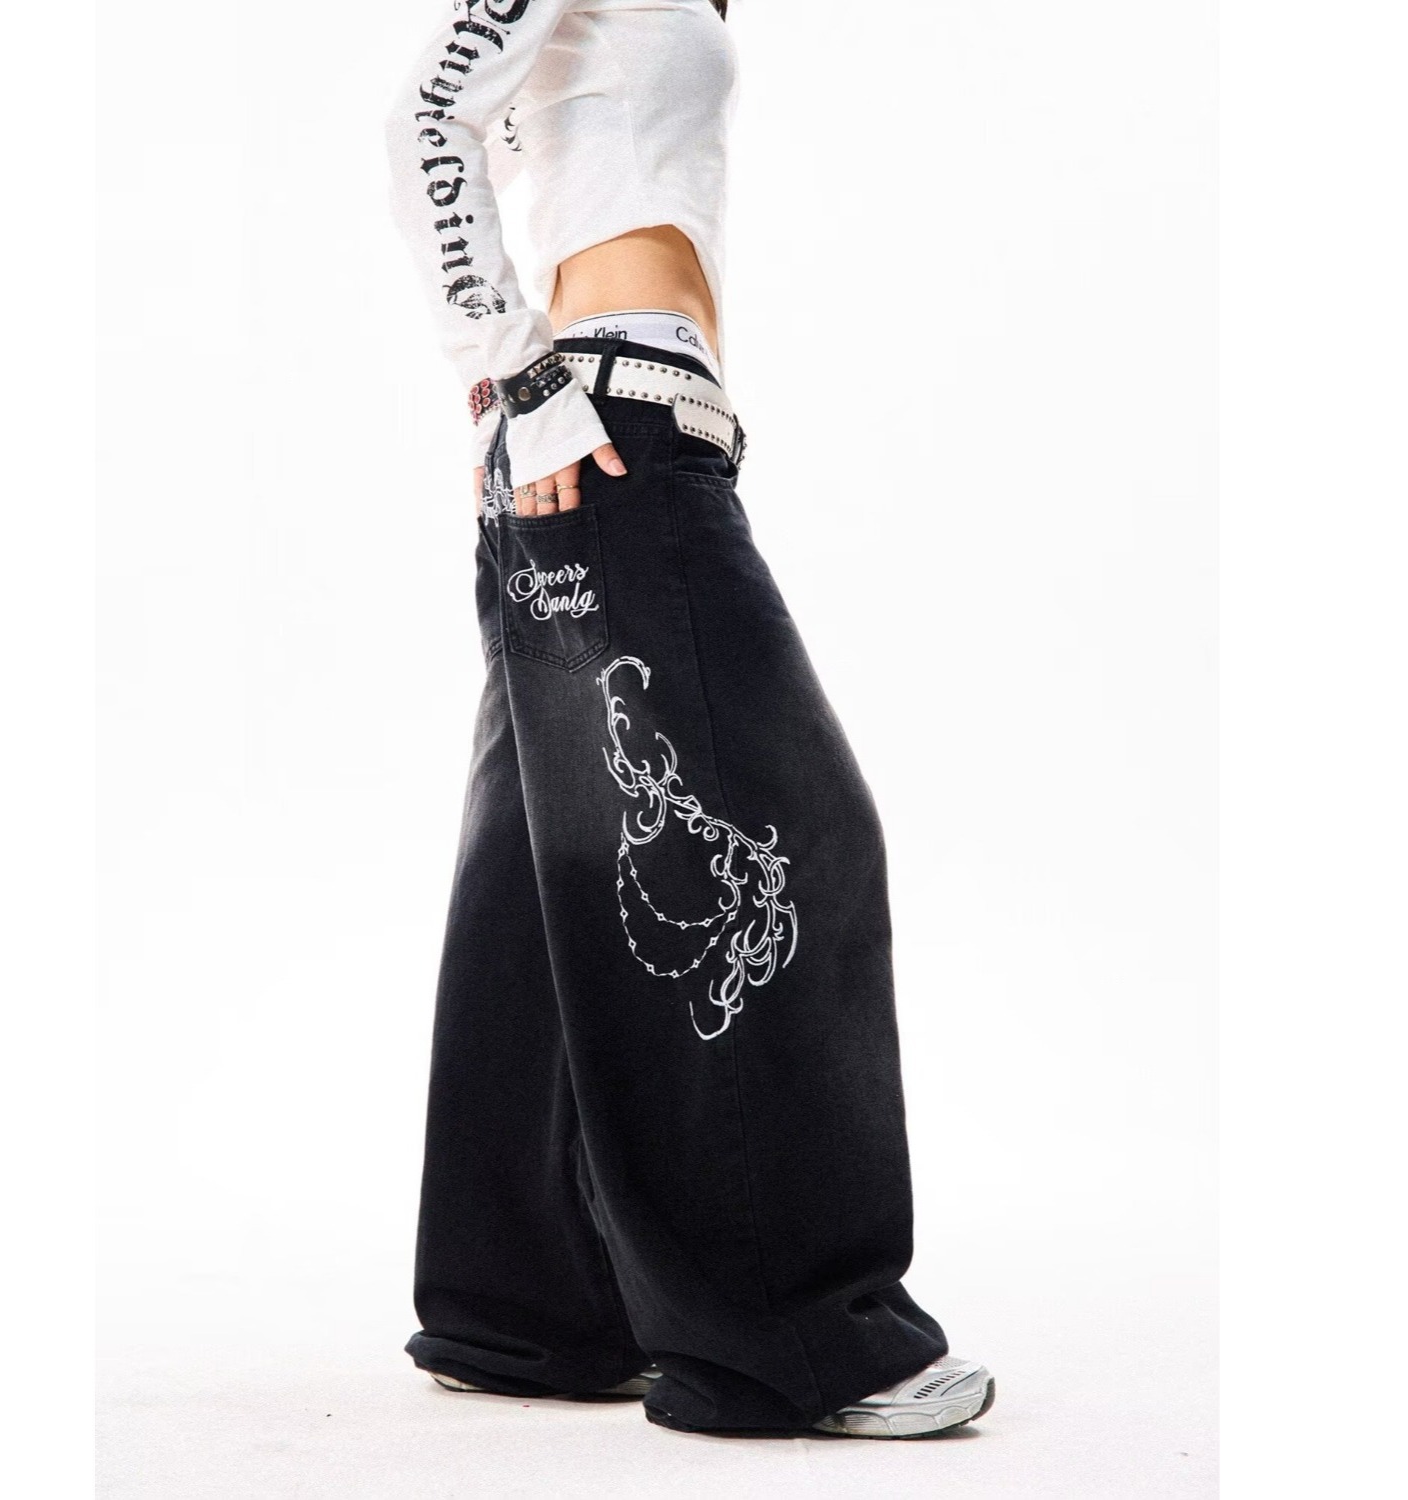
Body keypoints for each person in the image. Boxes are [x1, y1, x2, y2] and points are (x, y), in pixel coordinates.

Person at [385, 0, 994, 1438]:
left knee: (549, 870)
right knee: (787, 841)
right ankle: (794, 1338)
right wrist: (516, 373)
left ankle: (525, 1309)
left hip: (620, 430)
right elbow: (423, 126)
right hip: (602, 428)